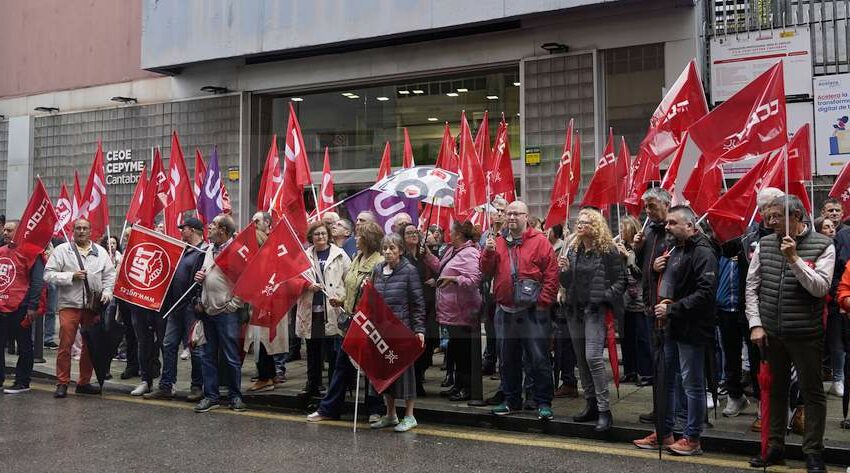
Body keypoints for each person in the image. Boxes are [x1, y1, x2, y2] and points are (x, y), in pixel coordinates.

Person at [746, 195, 833, 473]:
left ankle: (813, 453)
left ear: (796, 216)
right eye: (768, 216)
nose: (770, 222)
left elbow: (820, 288)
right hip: (772, 332)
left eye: (776, 217)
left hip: (806, 334)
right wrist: (755, 323)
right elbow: (752, 286)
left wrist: (794, 258)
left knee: (812, 393)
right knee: (775, 391)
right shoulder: (766, 243)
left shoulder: (823, 245)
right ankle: (774, 447)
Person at [632, 205, 717, 456]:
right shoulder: (674, 249)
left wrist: (673, 309)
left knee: (692, 385)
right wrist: (654, 268)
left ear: (689, 226)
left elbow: (705, 293)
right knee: (665, 380)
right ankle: (665, 431)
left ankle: (692, 437)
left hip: (691, 328)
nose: (666, 227)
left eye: (672, 223)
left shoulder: (703, 252)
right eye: (667, 223)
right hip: (668, 327)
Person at [481, 200, 558, 420]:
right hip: (505, 310)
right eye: (508, 214)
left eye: (517, 213)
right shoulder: (497, 242)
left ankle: (543, 402)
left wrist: (543, 303)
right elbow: (485, 272)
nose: (512, 217)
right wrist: (487, 253)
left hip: (532, 311)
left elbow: (551, 275)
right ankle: (511, 399)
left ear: (526, 216)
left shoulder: (540, 242)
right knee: (506, 359)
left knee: (539, 358)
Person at [718, 187, 784, 427]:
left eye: (775, 205)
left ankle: (771, 405)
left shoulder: (787, 234)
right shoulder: (748, 236)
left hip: (774, 309)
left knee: (766, 360)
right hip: (742, 308)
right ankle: (746, 399)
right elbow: (724, 248)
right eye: (766, 206)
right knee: (742, 356)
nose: (771, 212)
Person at [308, 221, 385, 423]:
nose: (355, 239)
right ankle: (329, 408)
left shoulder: (379, 263)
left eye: (359, 236)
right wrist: (342, 300)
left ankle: (375, 408)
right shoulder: (357, 258)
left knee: (370, 368)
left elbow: (378, 296)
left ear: (368, 240)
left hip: (368, 323)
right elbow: (350, 286)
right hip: (351, 321)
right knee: (342, 365)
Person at [559, 208, 625, 432]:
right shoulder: (574, 249)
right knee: (581, 359)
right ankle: (591, 405)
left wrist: (603, 297)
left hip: (594, 311)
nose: (580, 225)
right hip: (574, 310)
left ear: (595, 226)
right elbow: (567, 282)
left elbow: (620, 281)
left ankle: (605, 410)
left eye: (585, 222)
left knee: (593, 358)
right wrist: (564, 271)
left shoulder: (608, 250)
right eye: (579, 222)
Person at [44, 218, 116, 398]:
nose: (81, 231)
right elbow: (48, 275)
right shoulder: (62, 250)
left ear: (91, 231)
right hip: (69, 305)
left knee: (90, 346)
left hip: (92, 307)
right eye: (78, 228)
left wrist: (107, 292)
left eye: (85, 228)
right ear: (72, 231)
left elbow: (110, 276)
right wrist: (71, 276)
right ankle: (62, 382)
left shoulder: (101, 252)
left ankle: (84, 382)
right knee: (65, 346)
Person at [143, 217, 208, 401]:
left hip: (191, 307)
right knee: (168, 344)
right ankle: (166, 385)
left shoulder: (203, 252)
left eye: (184, 228)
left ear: (194, 230)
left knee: (194, 346)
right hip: (175, 306)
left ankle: (197, 386)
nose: (181, 231)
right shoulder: (183, 251)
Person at [368, 233, 426, 432]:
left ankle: (409, 416)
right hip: (380, 330)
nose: (388, 252)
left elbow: (417, 303)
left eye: (392, 248)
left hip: (402, 330)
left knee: (405, 374)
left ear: (401, 250)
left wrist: (419, 330)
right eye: (385, 248)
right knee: (386, 373)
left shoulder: (409, 271)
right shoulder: (376, 270)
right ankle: (390, 414)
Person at [193, 214, 246, 413]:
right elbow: (208, 274)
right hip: (208, 311)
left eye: (213, 225)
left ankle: (235, 396)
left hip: (226, 313)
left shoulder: (237, 251)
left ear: (223, 230)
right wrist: (200, 278)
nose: (209, 227)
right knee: (207, 355)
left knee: (231, 356)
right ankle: (211, 396)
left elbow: (245, 281)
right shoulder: (209, 250)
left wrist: (233, 305)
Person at [295, 221, 351, 397]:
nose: (320, 237)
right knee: (312, 350)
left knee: (333, 351)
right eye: (317, 234)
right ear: (311, 237)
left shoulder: (340, 255)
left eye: (323, 234)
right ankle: (313, 385)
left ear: (329, 236)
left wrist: (342, 298)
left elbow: (348, 280)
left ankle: (333, 388)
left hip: (332, 308)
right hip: (311, 309)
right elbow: (294, 279)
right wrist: (307, 285)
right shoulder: (303, 256)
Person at [632, 187, 672, 423]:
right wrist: (638, 250)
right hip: (649, 303)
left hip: (667, 306)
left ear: (666, 205)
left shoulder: (672, 230)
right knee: (656, 361)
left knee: (668, 362)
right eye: (646, 207)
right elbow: (641, 267)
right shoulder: (648, 230)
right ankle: (660, 409)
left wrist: (660, 267)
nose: (648, 211)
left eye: (652, 206)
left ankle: (671, 411)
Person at [435, 221, 482, 402]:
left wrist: (454, 279)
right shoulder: (451, 250)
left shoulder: (469, 253)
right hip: (451, 311)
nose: (448, 233)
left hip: (463, 311)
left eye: (450, 231)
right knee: (455, 349)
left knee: (464, 352)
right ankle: (458, 384)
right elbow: (441, 268)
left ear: (458, 235)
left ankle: (467, 388)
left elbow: (473, 280)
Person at [0, 221, 45, 394]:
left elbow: (37, 282)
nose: (6, 232)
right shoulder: (1, 251)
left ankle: (22, 381)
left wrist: (32, 306)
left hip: (21, 306)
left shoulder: (32, 253)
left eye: (10, 230)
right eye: (5, 230)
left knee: (24, 345)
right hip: (2, 304)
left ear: (19, 232)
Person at [399, 223, 440, 396]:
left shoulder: (425, 254)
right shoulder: (402, 258)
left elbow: (440, 269)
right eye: (409, 233)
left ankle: (420, 373)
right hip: (410, 307)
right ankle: (413, 382)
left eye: (415, 232)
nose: (413, 235)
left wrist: (435, 280)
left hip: (428, 305)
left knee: (429, 343)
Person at [616, 215, 651, 386]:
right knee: (626, 338)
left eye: (624, 228)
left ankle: (646, 372)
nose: (621, 231)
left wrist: (628, 257)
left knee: (642, 338)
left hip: (639, 299)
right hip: (625, 301)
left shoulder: (640, 248)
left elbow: (639, 273)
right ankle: (630, 370)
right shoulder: (621, 247)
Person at [480, 197, 507, 379]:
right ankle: (489, 360)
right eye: (496, 210)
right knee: (490, 327)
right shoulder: (485, 235)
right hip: (487, 288)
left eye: (502, 211)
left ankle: (502, 365)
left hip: (503, 289)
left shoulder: (509, 234)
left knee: (502, 330)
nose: (498, 214)